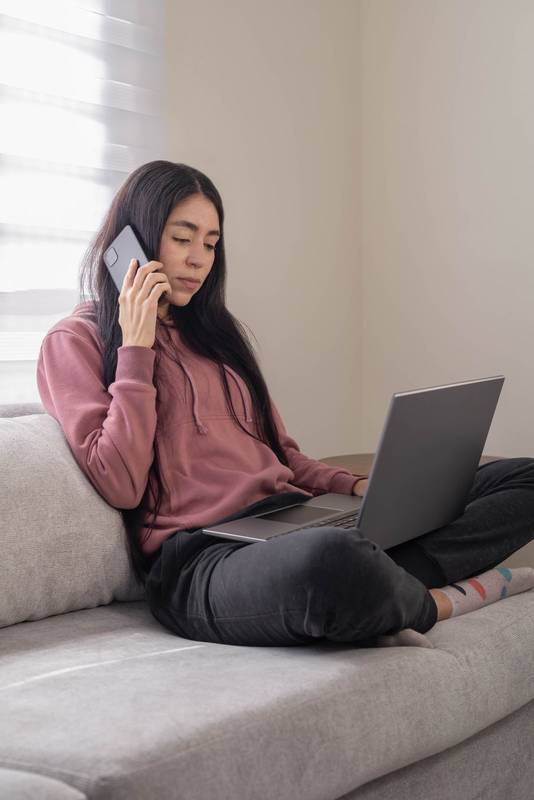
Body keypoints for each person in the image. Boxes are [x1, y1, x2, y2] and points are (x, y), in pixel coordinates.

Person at [36, 160, 534, 650]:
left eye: (211, 244)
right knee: (332, 561)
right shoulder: (75, 340)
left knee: (523, 478)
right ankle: (437, 600)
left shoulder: (217, 336)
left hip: (295, 518)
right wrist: (136, 347)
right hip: (205, 561)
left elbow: (283, 455)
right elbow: (120, 483)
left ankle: (383, 585)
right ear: (134, 242)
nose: (199, 260)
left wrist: (361, 487)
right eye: (182, 238)